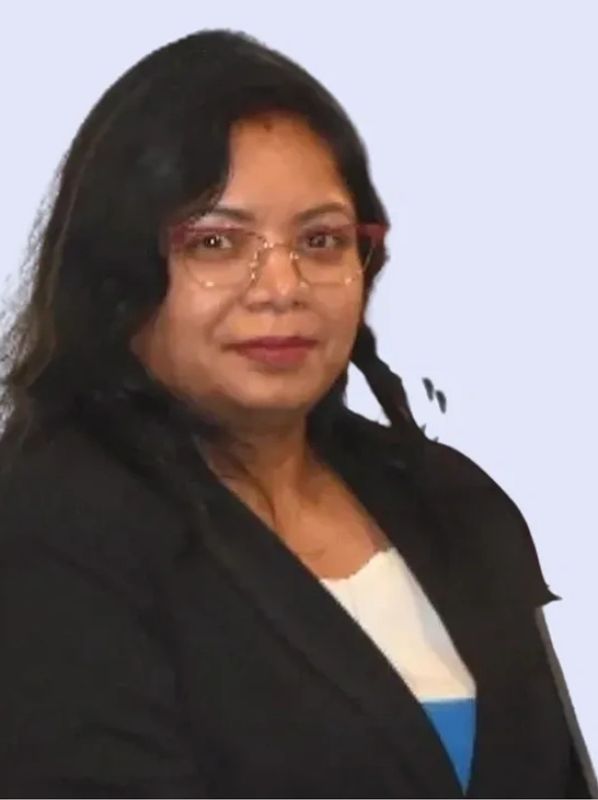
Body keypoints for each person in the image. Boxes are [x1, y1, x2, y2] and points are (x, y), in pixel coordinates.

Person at [0, 28, 595, 799]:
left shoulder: (452, 502)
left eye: (320, 240)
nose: (283, 287)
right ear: (117, 269)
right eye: (216, 242)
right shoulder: (47, 529)